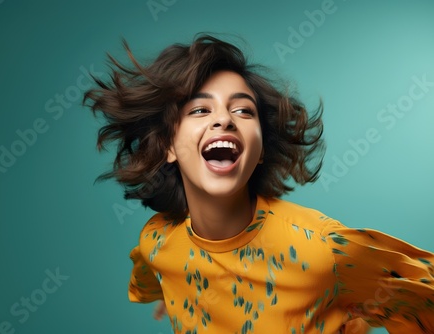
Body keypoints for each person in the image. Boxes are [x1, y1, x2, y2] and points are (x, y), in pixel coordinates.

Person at [83, 34, 434, 333]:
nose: (224, 119)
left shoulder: (324, 250)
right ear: (169, 147)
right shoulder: (156, 242)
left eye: (243, 111)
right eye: (200, 110)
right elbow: (152, 273)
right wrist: (180, 293)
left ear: (261, 149)